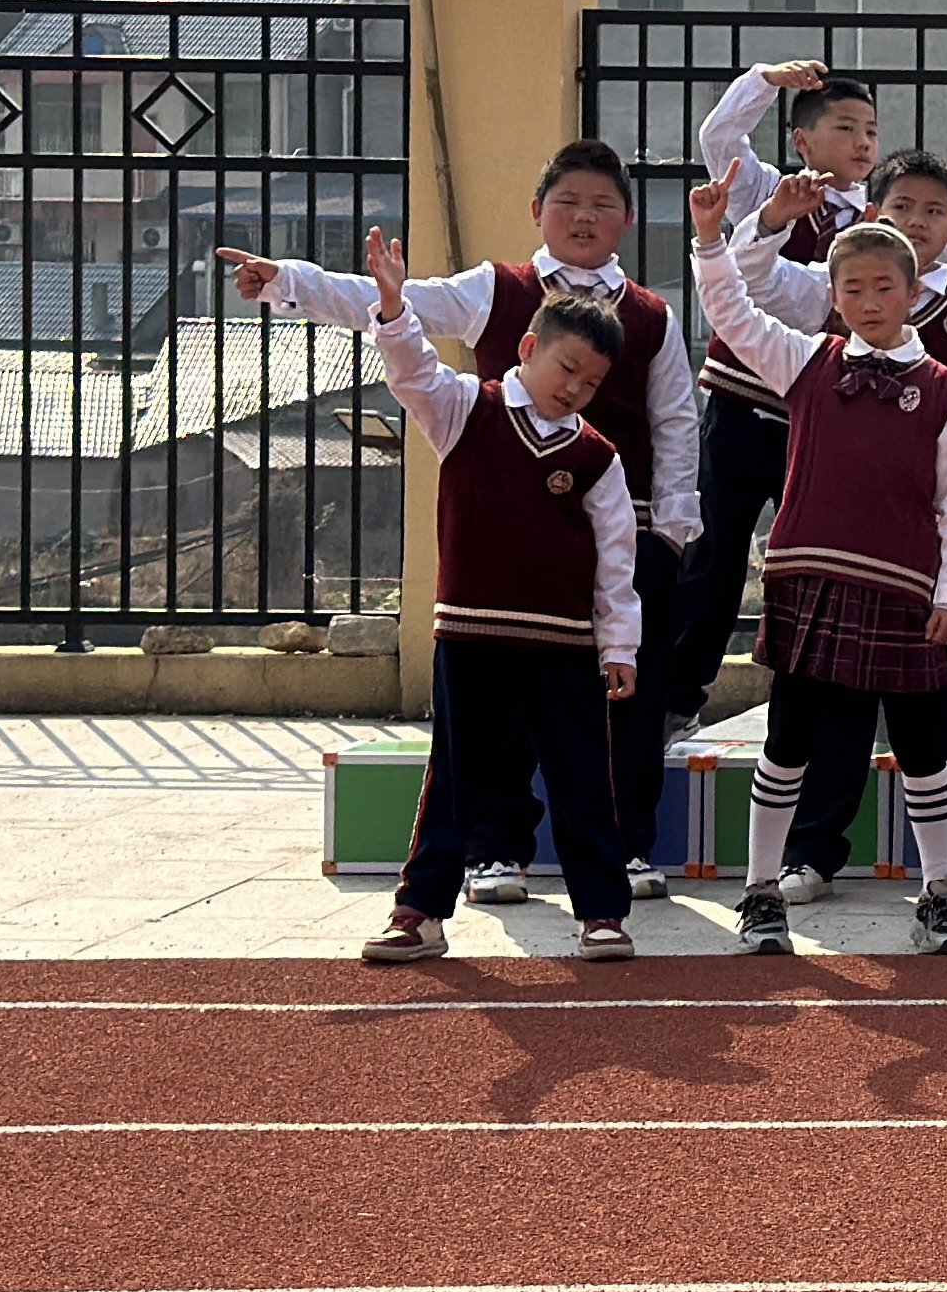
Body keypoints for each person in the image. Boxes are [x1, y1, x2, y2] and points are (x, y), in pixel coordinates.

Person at [225, 136, 697, 905]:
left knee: (625, 700)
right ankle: (494, 850)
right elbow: (394, 301)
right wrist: (289, 281)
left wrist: (672, 531)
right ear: (537, 210)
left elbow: (675, 422)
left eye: (602, 205)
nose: (583, 217)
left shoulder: (652, 315)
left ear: (628, 220)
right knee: (499, 703)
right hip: (507, 535)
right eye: (568, 202)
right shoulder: (495, 289)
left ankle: (628, 847)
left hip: (620, 530)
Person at [686, 178, 947, 962]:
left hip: (902, 591)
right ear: (832, 295)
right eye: (851, 288)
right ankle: (761, 891)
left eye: (884, 287)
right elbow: (733, 316)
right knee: (789, 739)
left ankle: (941, 892)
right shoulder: (805, 362)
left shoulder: (944, 391)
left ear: (914, 293)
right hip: (810, 581)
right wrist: (712, 240)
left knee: (922, 748)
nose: (868, 301)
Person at [347, 232, 643, 965]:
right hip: (470, 633)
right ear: (528, 348)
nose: (573, 389)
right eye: (566, 368)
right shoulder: (464, 411)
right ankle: (421, 911)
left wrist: (620, 646)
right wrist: (394, 308)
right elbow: (413, 372)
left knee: (581, 776)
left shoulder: (597, 458)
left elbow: (616, 561)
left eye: (590, 382)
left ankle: (602, 913)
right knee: (456, 774)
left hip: (563, 642)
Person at [665, 60, 880, 727]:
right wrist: (766, 80)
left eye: (870, 130)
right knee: (713, 561)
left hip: (819, 421)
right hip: (737, 407)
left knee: (811, 567)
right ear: (802, 140)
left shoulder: (874, 223)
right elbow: (718, 137)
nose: (862, 142)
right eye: (845, 127)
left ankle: (806, 712)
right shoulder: (765, 188)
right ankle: (675, 701)